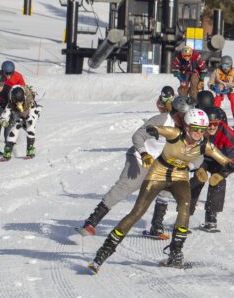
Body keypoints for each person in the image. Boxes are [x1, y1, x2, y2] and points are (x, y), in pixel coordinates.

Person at [88, 109, 234, 273]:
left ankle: (176, 253)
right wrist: (154, 130)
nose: (198, 134)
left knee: (184, 209)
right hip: (158, 173)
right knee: (137, 212)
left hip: (180, 176)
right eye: (195, 129)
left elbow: (219, 156)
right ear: (186, 127)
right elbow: (161, 130)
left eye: (202, 130)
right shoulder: (175, 134)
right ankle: (104, 252)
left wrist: (228, 164)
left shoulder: (204, 144)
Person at [78, 95, 193, 237]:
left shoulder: (185, 129)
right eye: (184, 115)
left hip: (159, 164)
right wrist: (144, 154)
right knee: (125, 187)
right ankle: (91, 222)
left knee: (166, 188)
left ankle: (156, 226)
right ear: (176, 112)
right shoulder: (162, 120)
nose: (186, 119)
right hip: (140, 159)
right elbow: (137, 136)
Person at [188, 106, 234, 232]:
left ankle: (211, 217)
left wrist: (229, 166)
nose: (211, 127)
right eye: (209, 124)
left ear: (220, 123)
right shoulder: (198, 130)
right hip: (201, 159)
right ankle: (185, 216)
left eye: (215, 124)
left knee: (217, 181)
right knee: (197, 179)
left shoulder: (226, 133)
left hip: (219, 160)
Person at [0, 84, 41, 160]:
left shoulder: (30, 102)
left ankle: (30, 149)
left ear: (24, 98)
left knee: (30, 128)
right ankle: (8, 151)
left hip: (30, 116)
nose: (19, 103)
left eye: (20, 101)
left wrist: (27, 116)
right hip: (18, 118)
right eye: (16, 102)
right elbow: (5, 114)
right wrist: (3, 121)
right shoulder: (11, 104)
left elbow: (34, 117)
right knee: (13, 130)